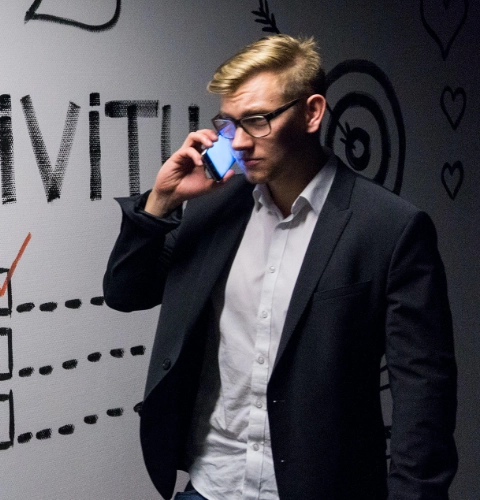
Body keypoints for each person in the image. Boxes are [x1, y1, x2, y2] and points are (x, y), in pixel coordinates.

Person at [103, 34, 457, 499]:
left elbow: (423, 397)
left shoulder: (389, 228)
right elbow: (126, 292)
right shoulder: (214, 208)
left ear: (312, 113)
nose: (241, 142)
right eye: (230, 125)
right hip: (211, 485)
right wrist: (161, 201)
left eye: (258, 121)